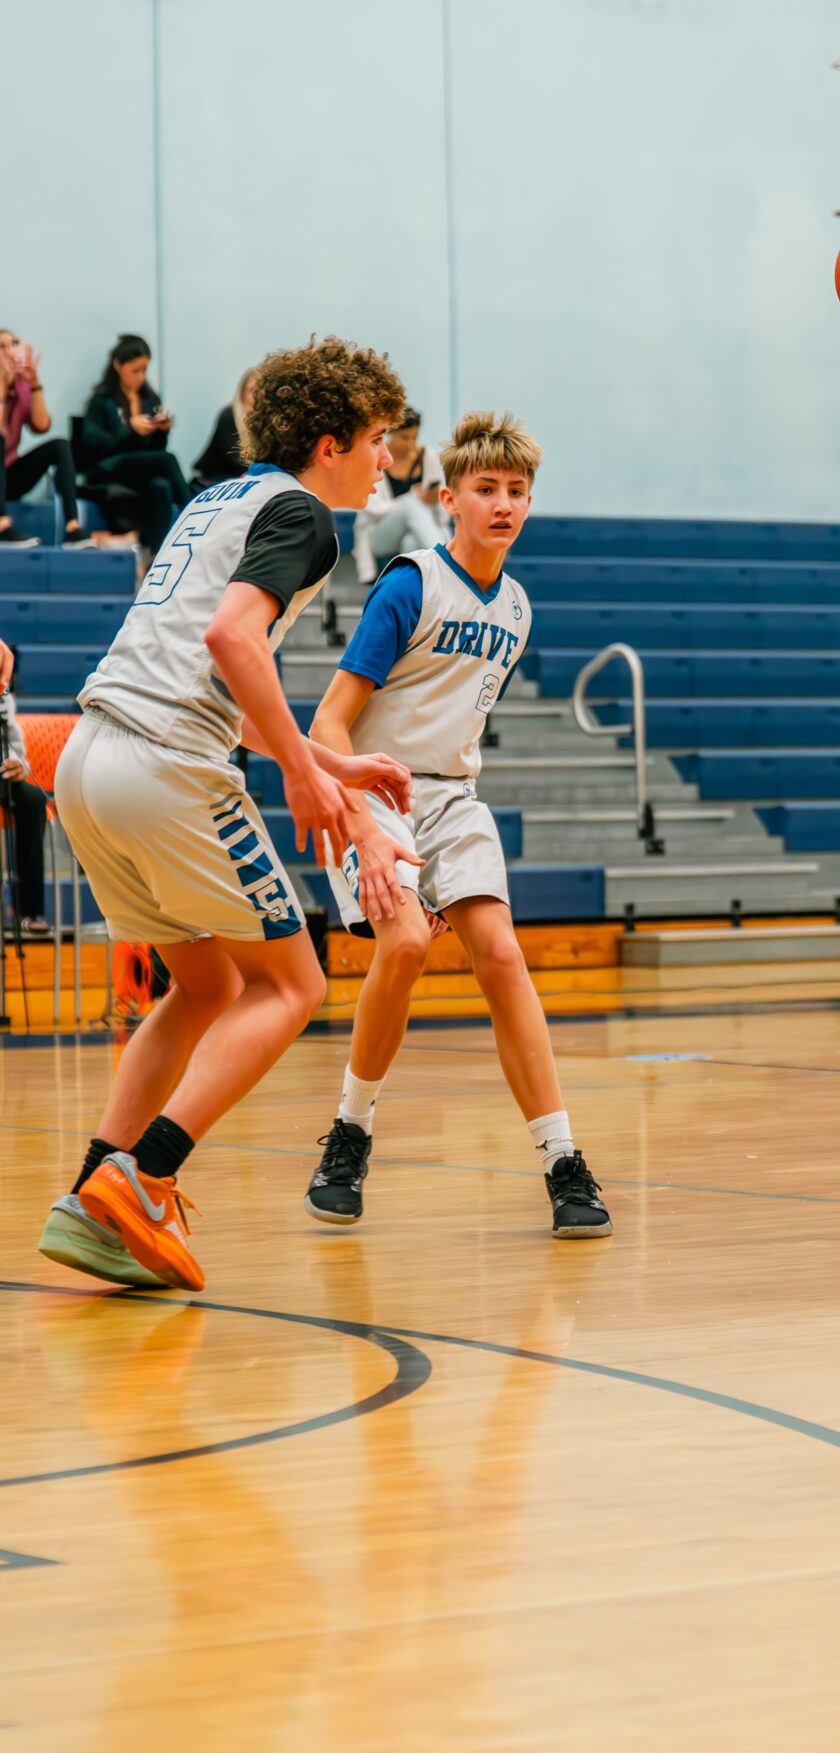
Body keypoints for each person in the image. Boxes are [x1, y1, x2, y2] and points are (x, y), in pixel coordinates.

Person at [35, 336, 418, 1296]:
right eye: (378, 438)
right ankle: (147, 1176)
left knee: (203, 985)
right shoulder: (305, 517)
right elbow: (230, 639)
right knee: (294, 984)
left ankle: (89, 1195)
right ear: (330, 445)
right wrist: (301, 776)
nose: (387, 456)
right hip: (168, 766)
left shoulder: (217, 500)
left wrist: (327, 760)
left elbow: (217, 668)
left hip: (90, 761)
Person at [305, 410, 608, 1239]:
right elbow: (328, 722)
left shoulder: (517, 609)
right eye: (486, 489)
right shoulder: (410, 584)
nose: (503, 504)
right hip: (372, 788)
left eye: (516, 491)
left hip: (452, 796)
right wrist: (363, 822)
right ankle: (350, 1132)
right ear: (450, 500)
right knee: (405, 944)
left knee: (502, 955)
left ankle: (563, 1159)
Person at [83, 334, 191, 555]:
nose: (141, 377)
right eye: (135, 370)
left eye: (144, 370)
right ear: (118, 365)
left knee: (161, 485)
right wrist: (130, 432)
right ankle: (194, 513)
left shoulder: (149, 398)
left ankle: (152, 554)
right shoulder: (102, 401)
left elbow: (155, 450)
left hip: (139, 470)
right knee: (168, 460)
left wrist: (161, 430)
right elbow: (95, 446)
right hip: (109, 466)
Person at [0, 328, 92, 544]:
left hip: (8, 478)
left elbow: (42, 426)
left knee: (60, 446)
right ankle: (2, 526)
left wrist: (34, 383)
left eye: (12, 345)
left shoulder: (20, 385)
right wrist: (2, 388)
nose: (8, 352)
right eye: (1, 347)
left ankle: (72, 528)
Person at [353, 407, 447, 583]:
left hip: (419, 532)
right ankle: (446, 564)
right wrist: (415, 498)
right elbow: (373, 509)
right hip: (381, 536)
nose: (410, 444)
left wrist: (433, 499)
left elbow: (442, 511)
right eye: (404, 437)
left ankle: (416, 595)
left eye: (415, 437)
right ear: (390, 434)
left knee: (410, 543)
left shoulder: (428, 457)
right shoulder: (375, 457)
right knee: (411, 506)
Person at [0, 638, 50, 936]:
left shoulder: (3, 691)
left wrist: (18, 764)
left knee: (32, 799)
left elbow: (13, 740)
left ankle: (28, 912)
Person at [192, 369, 258, 490]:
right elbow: (232, 455)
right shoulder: (229, 414)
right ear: (242, 392)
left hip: (241, 475)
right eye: (251, 390)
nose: (256, 395)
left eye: (260, 391)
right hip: (216, 476)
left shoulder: (262, 418)